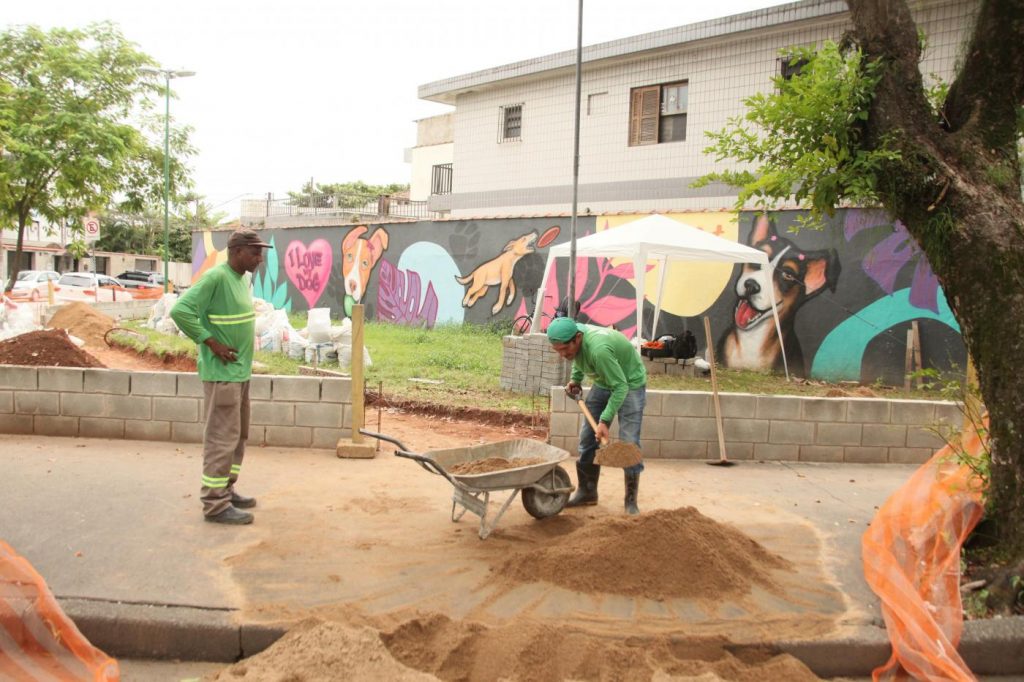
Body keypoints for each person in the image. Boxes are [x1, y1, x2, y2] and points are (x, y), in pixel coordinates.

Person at [171, 229, 272, 525]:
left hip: (239, 374)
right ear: (237, 251)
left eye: (260, 252)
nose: (260, 258)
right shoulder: (216, 278)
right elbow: (181, 311)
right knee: (221, 437)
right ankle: (214, 504)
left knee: (237, 435)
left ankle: (226, 489)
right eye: (255, 252)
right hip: (223, 375)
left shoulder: (242, 279)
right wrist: (211, 342)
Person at [546, 317, 646, 515]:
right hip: (604, 379)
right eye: (558, 350)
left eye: (565, 349)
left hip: (629, 383)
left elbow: (620, 387)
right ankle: (587, 492)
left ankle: (631, 501)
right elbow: (578, 358)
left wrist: (604, 421)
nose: (563, 354)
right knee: (586, 438)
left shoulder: (598, 350)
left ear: (578, 338)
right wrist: (575, 379)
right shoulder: (576, 339)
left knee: (629, 443)